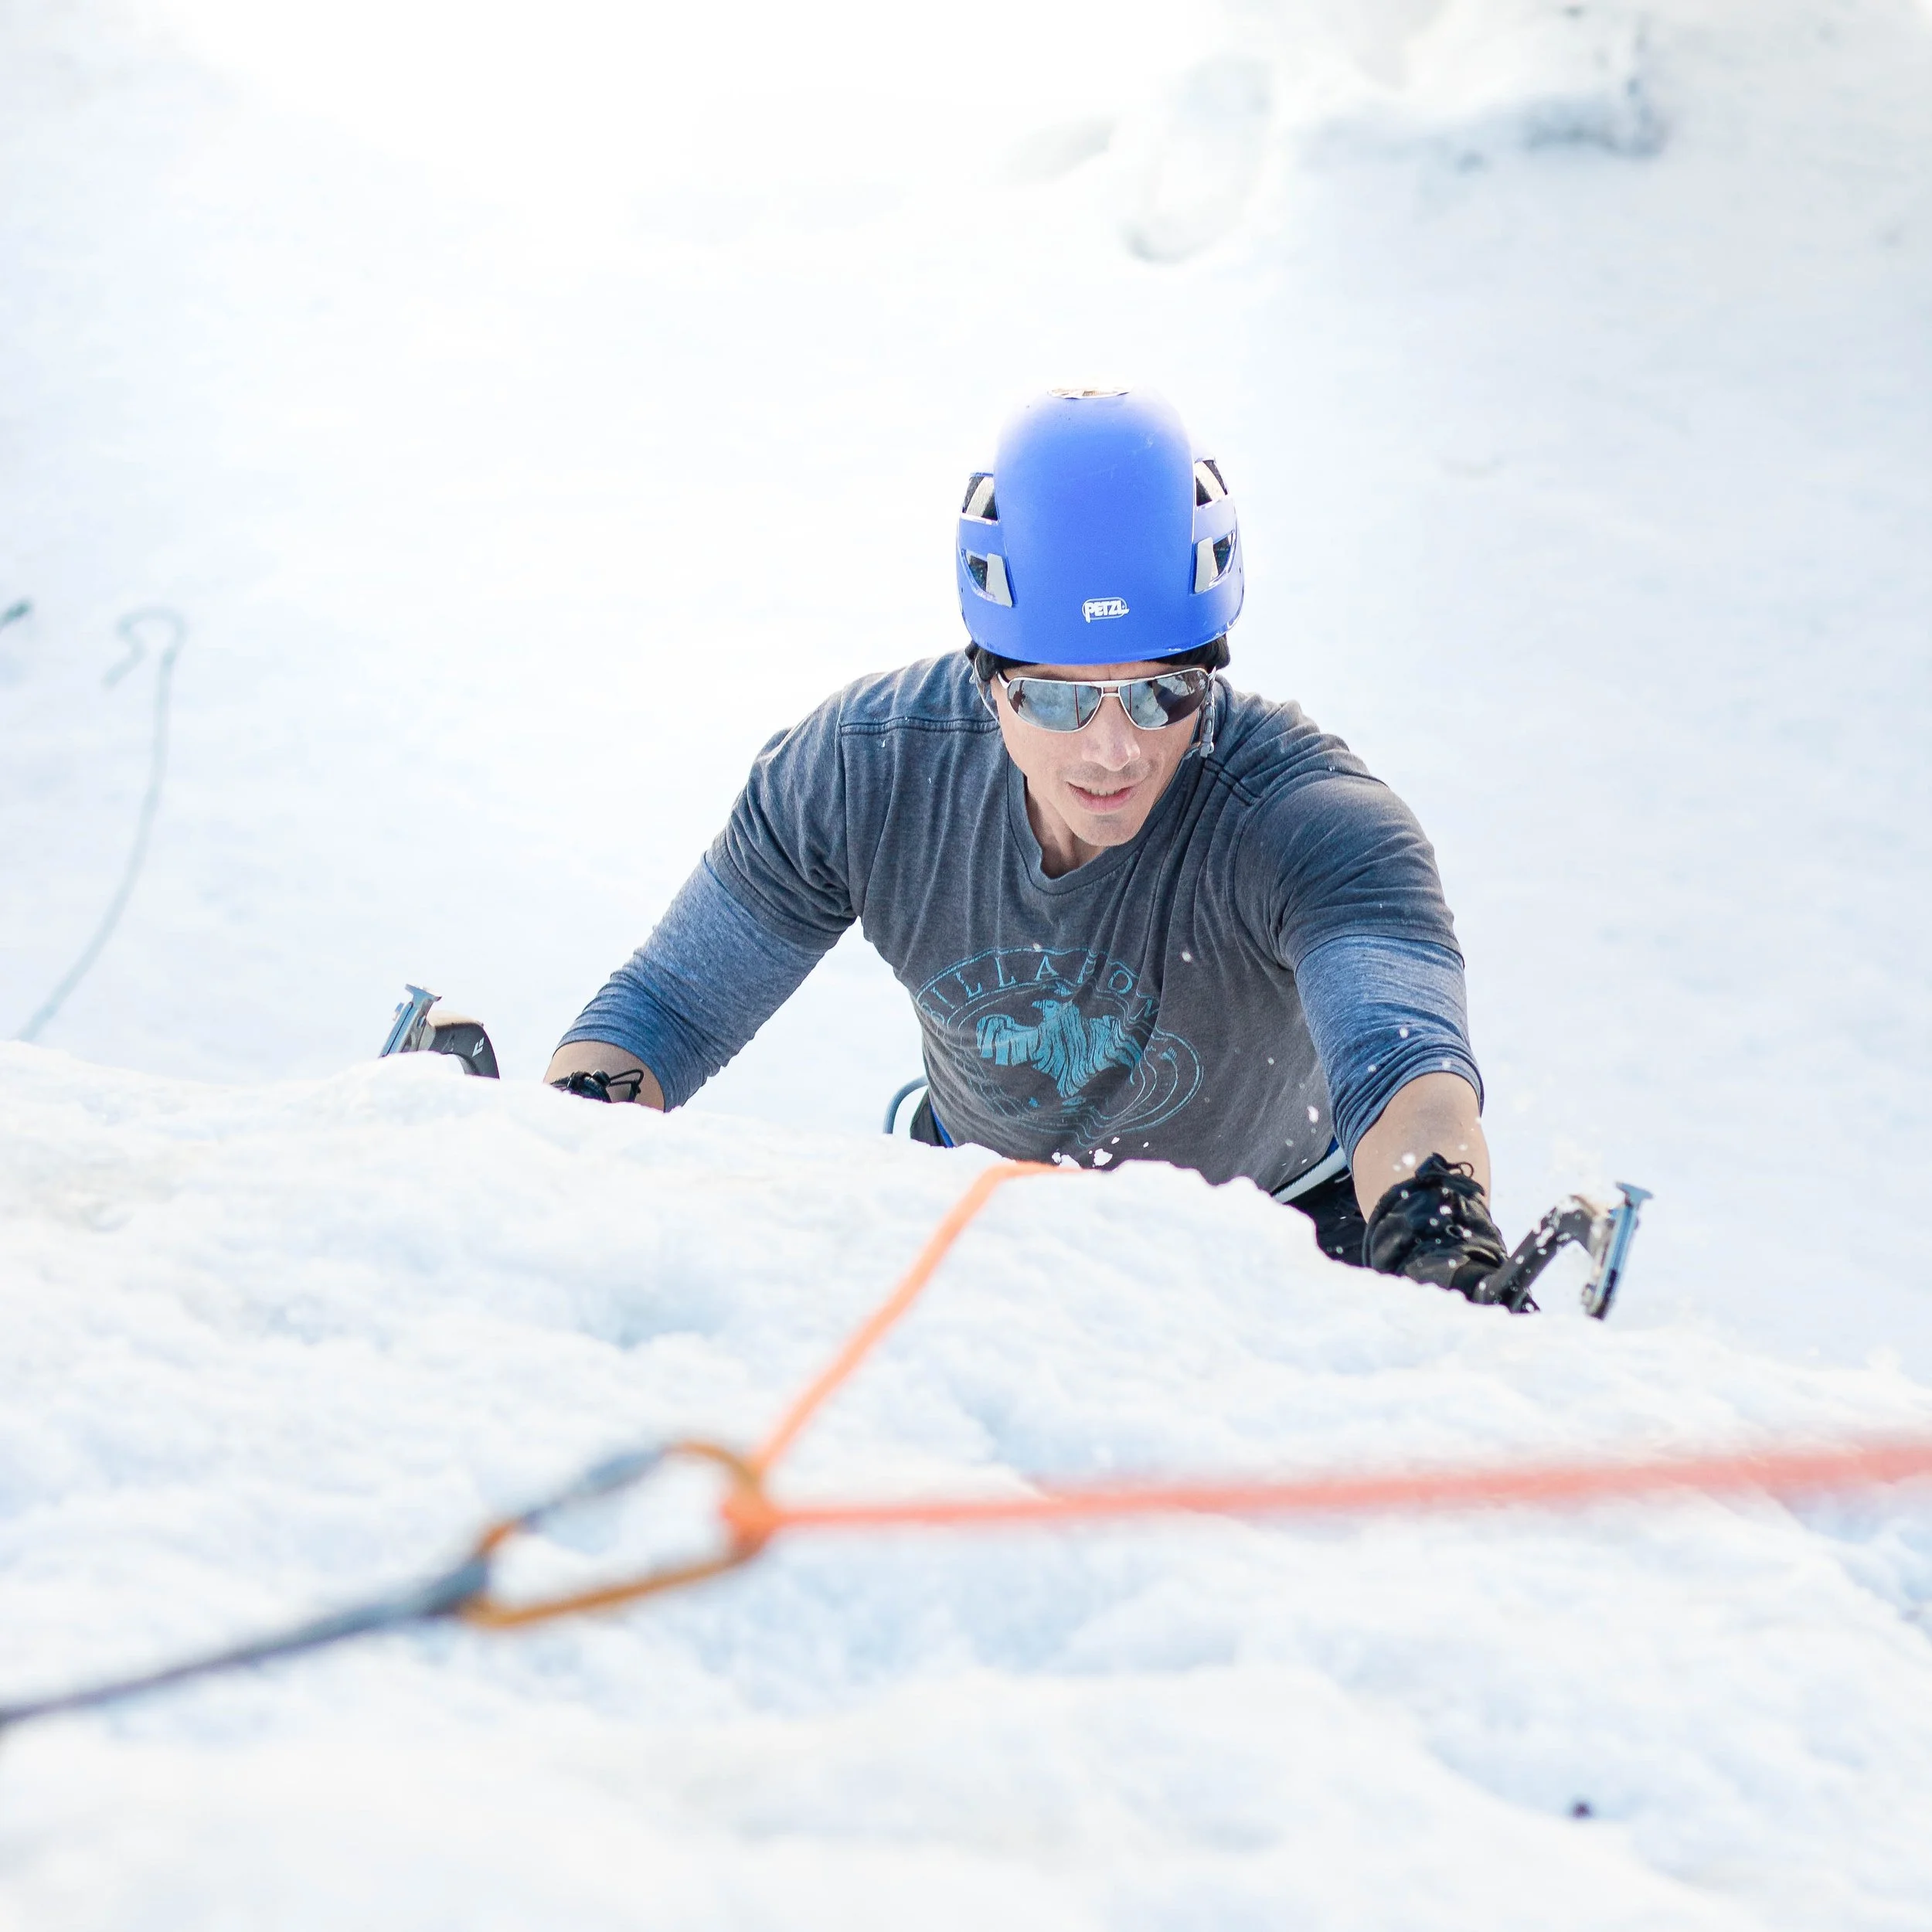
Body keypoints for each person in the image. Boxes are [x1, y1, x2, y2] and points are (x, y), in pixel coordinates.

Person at [546, 389, 1509, 1298]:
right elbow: (668, 1009)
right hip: (986, 1220)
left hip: (1280, 1229)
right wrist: (547, 1155)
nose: (1112, 748)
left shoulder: (1311, 820)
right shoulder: (865, 774)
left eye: (1162, 691)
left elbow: (1404, 1070)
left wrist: (1438, 1228)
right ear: (985, 678)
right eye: (1054, 697)